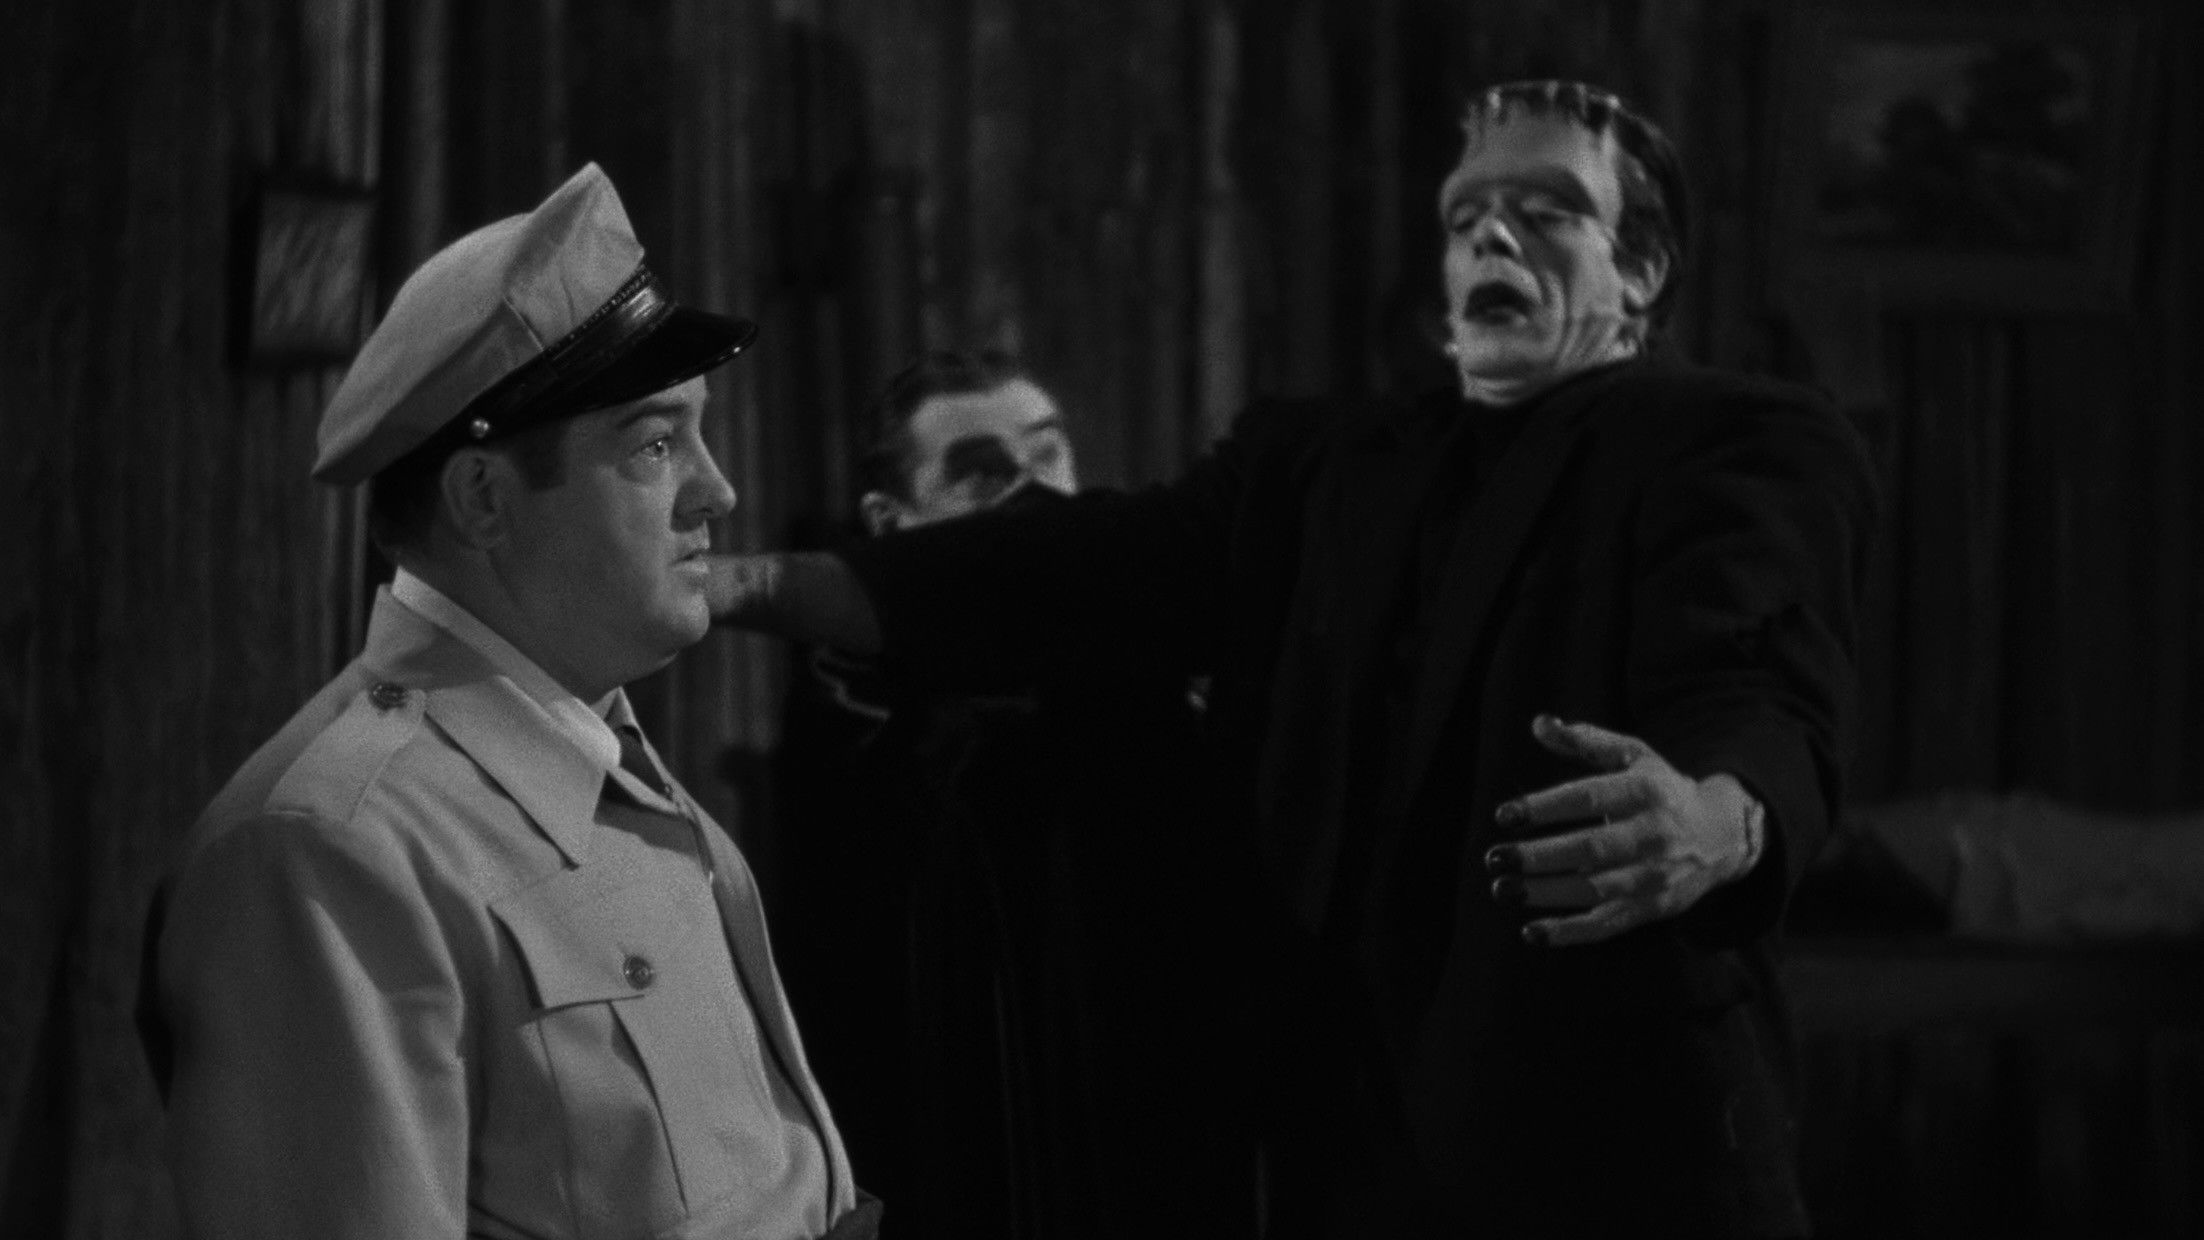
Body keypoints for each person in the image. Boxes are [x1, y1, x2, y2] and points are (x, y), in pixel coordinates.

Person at [708, 80, 1878, 1237]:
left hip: (1615, 1155)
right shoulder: (1317, 467)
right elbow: (1078, 565)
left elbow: (1761, 685)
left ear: (1640, 268)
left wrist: (1717, 817)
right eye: (1466, 214)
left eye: (1545, 210)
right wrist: (736, 586)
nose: (1491, 237)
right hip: (1357, 1162)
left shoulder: (1730, 440)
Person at [139, 164, 877, 1240]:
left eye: (698, 434)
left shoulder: (593, 752)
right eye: (656, 443)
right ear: (483, 498)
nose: (715, 490)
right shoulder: (328, 847)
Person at [770, 351, 1259, 1239]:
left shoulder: (1175, 684)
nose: (1034, 497)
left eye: (1046, 455)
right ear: (891, 522)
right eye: (981, 474)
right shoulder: (855, 728)